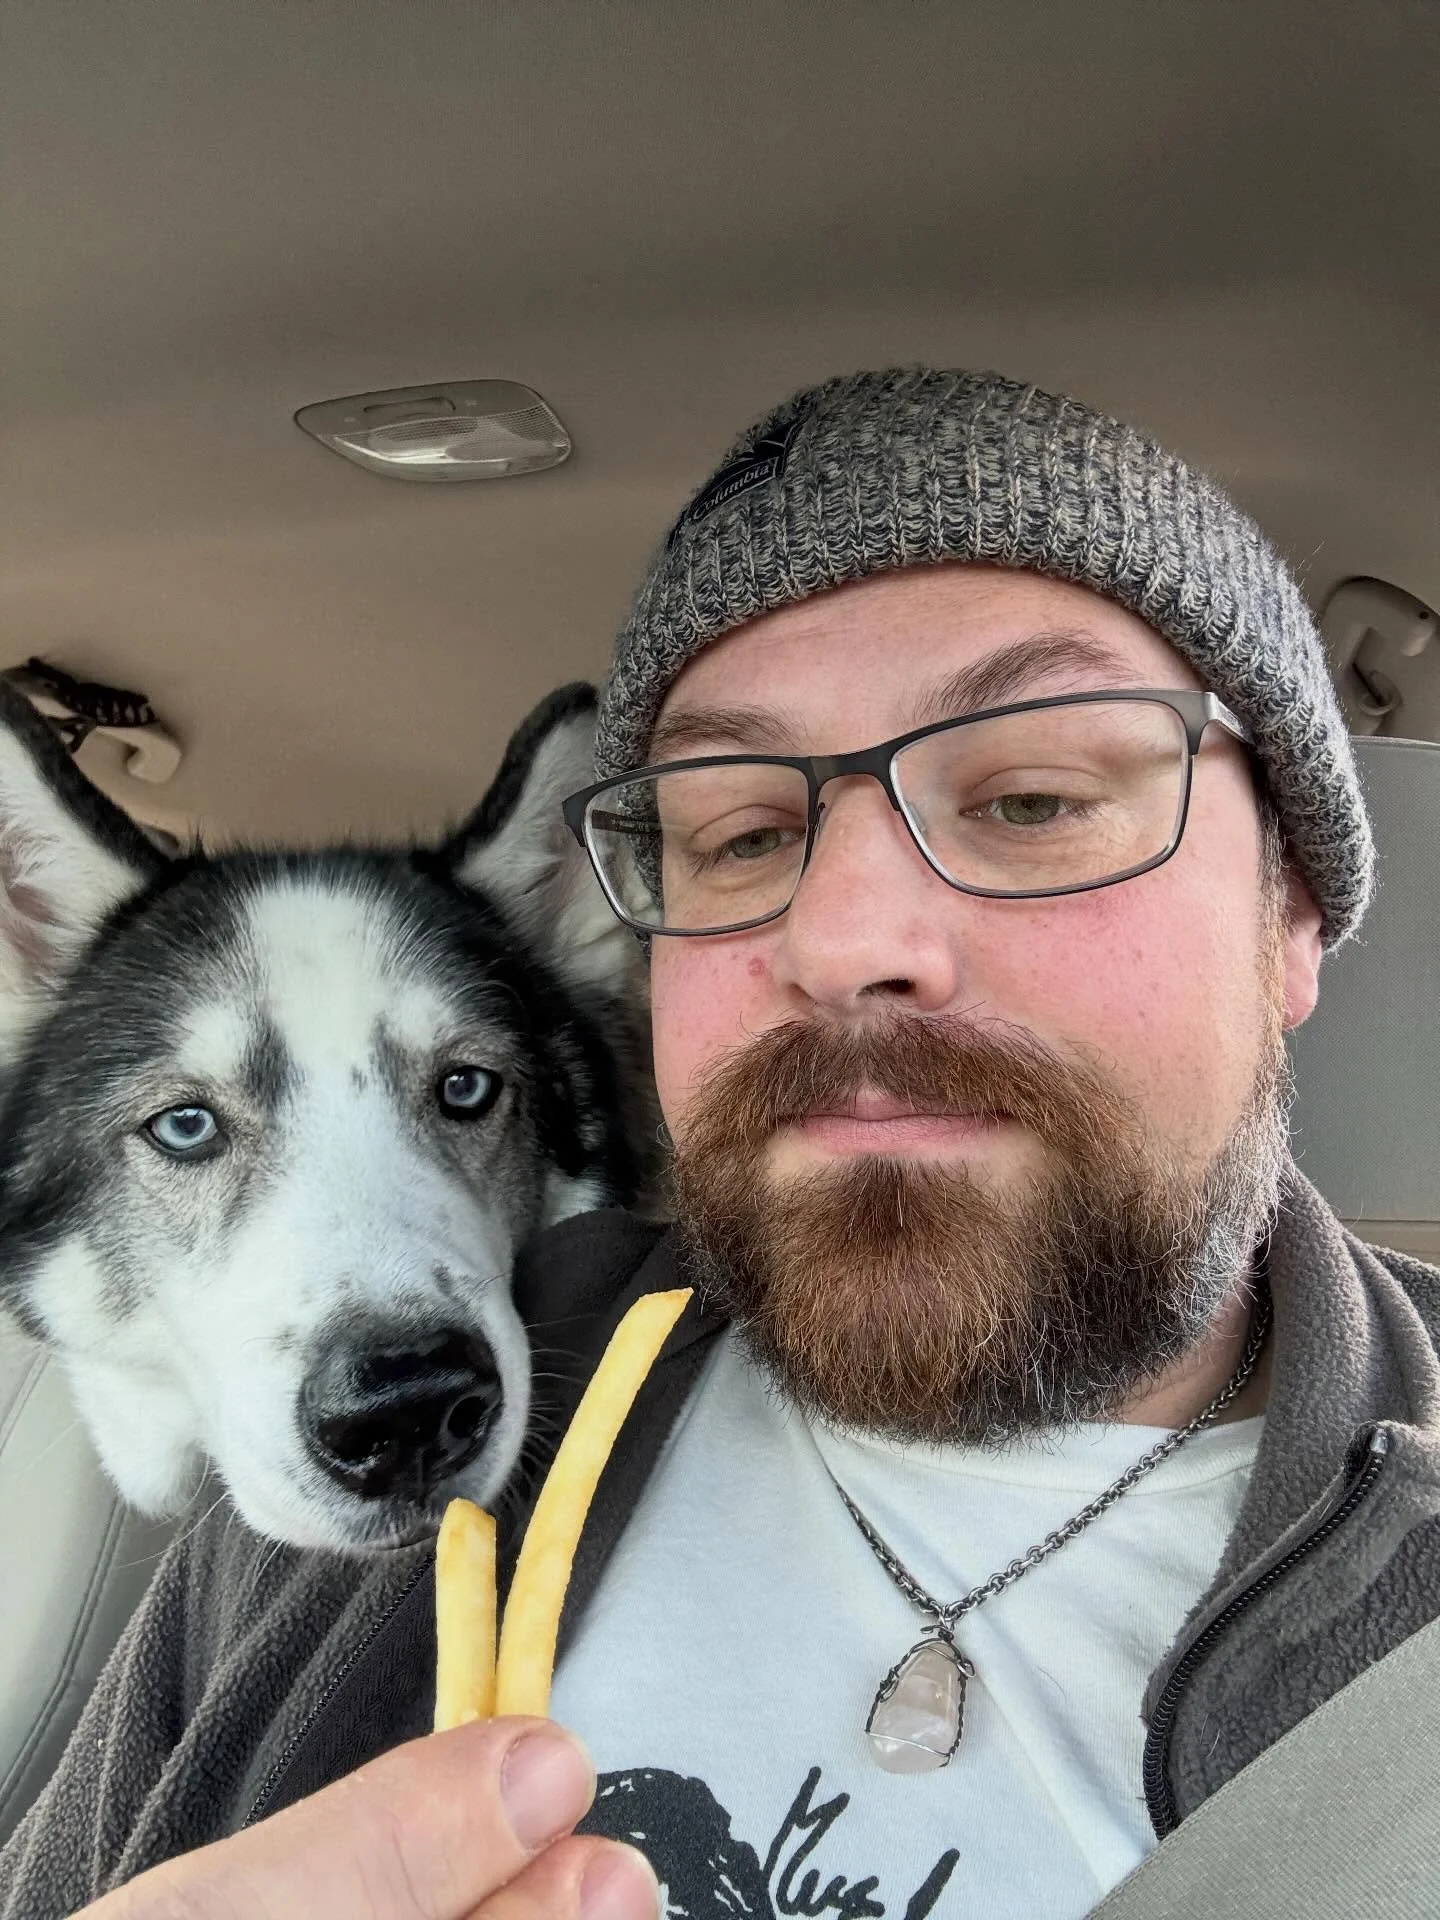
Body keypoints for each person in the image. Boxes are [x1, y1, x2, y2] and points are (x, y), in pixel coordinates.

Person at [4, 367, 1438, 1920]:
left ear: (1294, 913)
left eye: (1033, 797)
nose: (848, 940)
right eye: (740, 836)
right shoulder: (372, 1478)